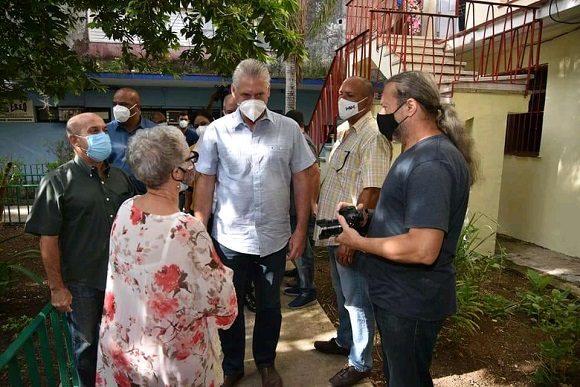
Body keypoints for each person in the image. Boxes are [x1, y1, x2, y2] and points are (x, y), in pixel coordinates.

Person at [335, 71, 478, 387]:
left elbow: (423, 248)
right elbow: (409, 220)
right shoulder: (418, 154)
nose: (381, 115)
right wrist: (371, 218)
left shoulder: (431, 163)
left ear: (410, 107)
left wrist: (358, 242)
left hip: (411, 301)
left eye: (385, 107)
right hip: (401, 297)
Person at [194, 58, 315, 387]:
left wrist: (302, 228)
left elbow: (303, 178)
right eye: (245, 93)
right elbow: (204, 182)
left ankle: (265, 361)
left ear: (269, 93)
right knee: (229, 306)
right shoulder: (216, 132)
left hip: (274, 237)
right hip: (229, 238)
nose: (252, 100)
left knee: (270, 306)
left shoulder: (288, 130)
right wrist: (197, 231)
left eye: (259, 94)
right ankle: (233, 364)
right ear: (233, 92)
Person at [95, 126, 238, 386]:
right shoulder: (186, 228)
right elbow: (220, 298)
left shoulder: (127, 209)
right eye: (189, 159)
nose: (193, 166)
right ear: (176, 172)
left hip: (124, 348)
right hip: (171, 360)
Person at [25, 113, 134, 386]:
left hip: (122, 281)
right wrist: (56, 288)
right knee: (87, 348)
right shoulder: (57, 181)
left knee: (126, 343)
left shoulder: (120, 178)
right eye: (94, 130)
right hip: (83, 283)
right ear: (75, 140)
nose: (103, 135)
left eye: (104, 129)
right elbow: (47, 240)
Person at [313, 76, 392, 386]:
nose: (341, 98)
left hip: (351, 235)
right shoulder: (346, 131)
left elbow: (371, 192)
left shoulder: (372, 136)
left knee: (357, 298)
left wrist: (355, 240)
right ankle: (345, 340)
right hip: (335, 231)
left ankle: (360, 362)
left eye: (350, 94)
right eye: (341, 93)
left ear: (368, 100)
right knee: (342, 292)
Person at [283, 109, 321, 309]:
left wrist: (311, 202)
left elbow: (314, 172)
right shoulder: (299, 139)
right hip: (294, 204)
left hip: (300, 206)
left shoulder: (302, 141)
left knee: (303, 248)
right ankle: (301, 282)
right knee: (298, 247)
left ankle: (308, 289)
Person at [107, 87, 156, 194]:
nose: (117, 108)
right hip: (115, 194)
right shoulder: (106, 131)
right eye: (115, 104)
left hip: (147, 194)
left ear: (137, 107)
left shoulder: (155, 132)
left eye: (124, 104)